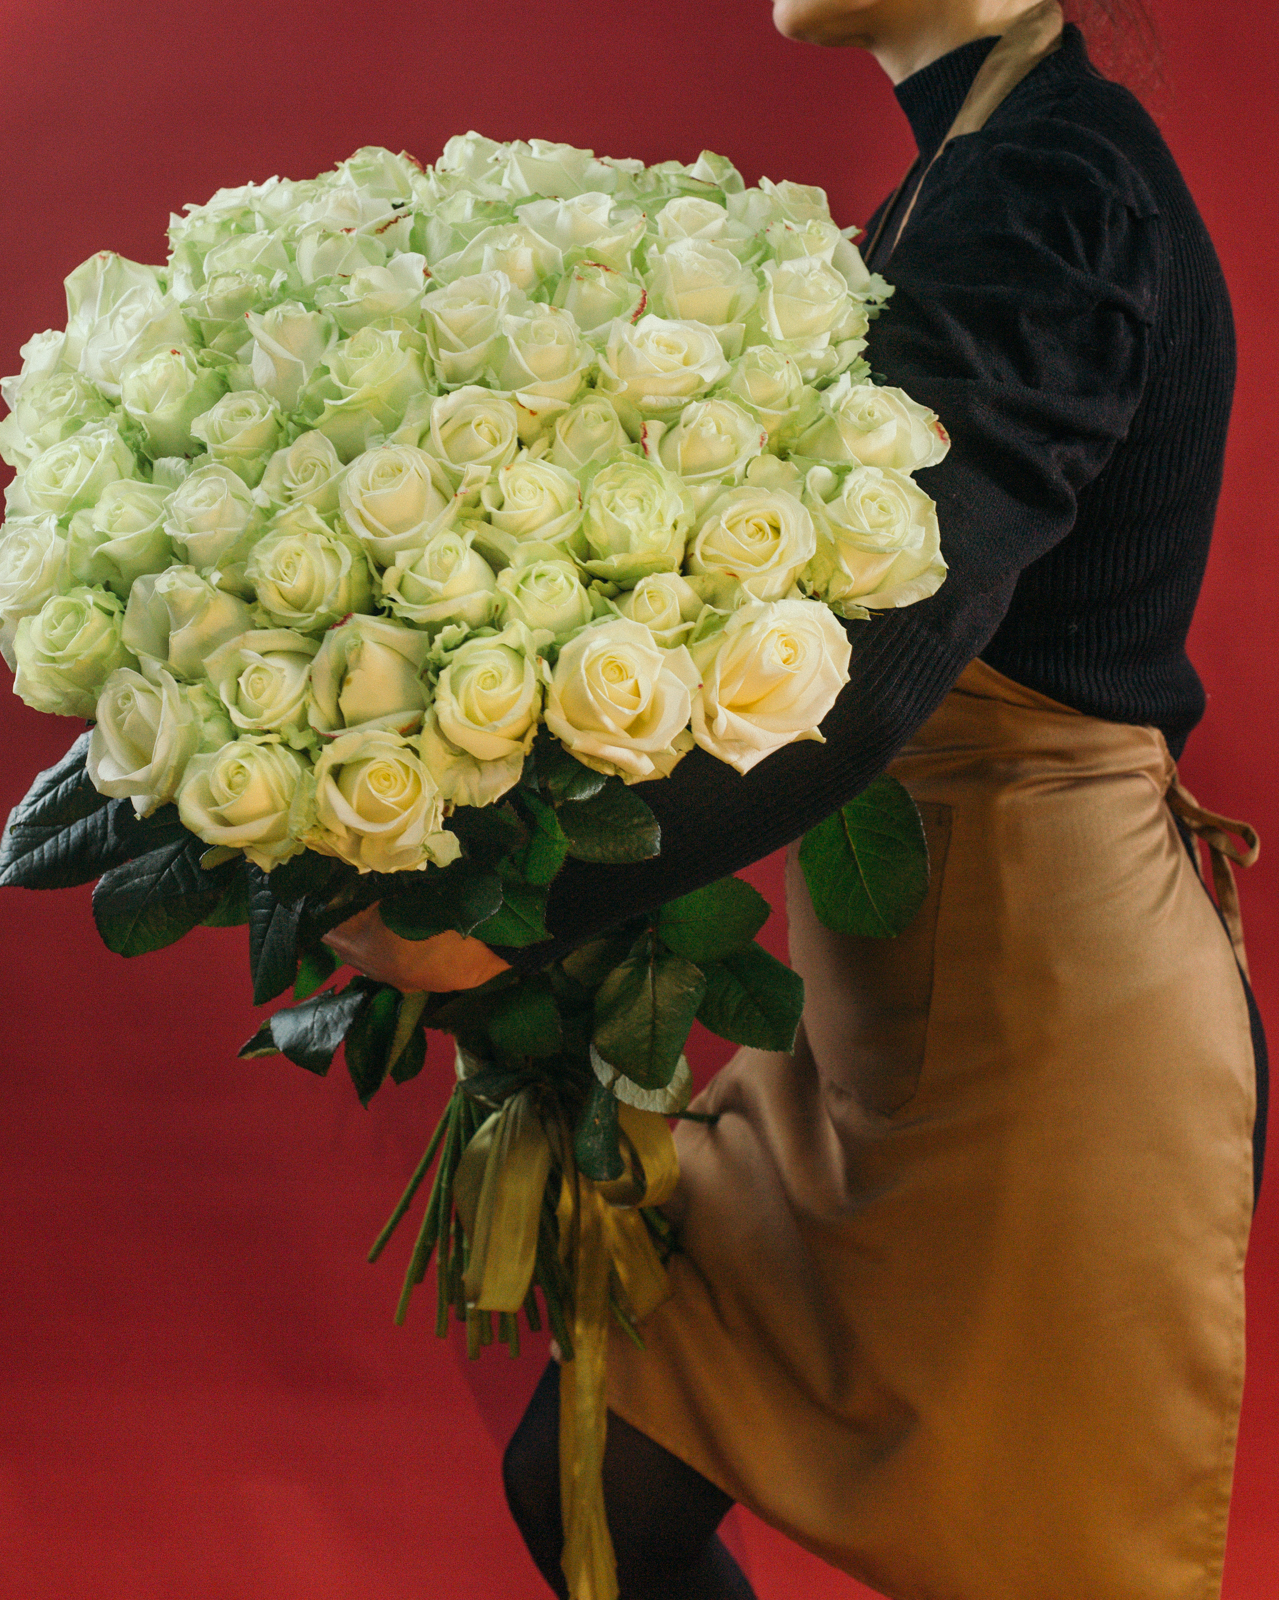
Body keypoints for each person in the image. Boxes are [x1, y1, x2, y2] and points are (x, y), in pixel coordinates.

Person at [326, 2, 1265, 1595]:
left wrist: (516, 911)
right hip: (891, 1011)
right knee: (587, 1489)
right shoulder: (976, 169)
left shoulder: (1055, 191)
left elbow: (879, 658)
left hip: (1045, 1028)